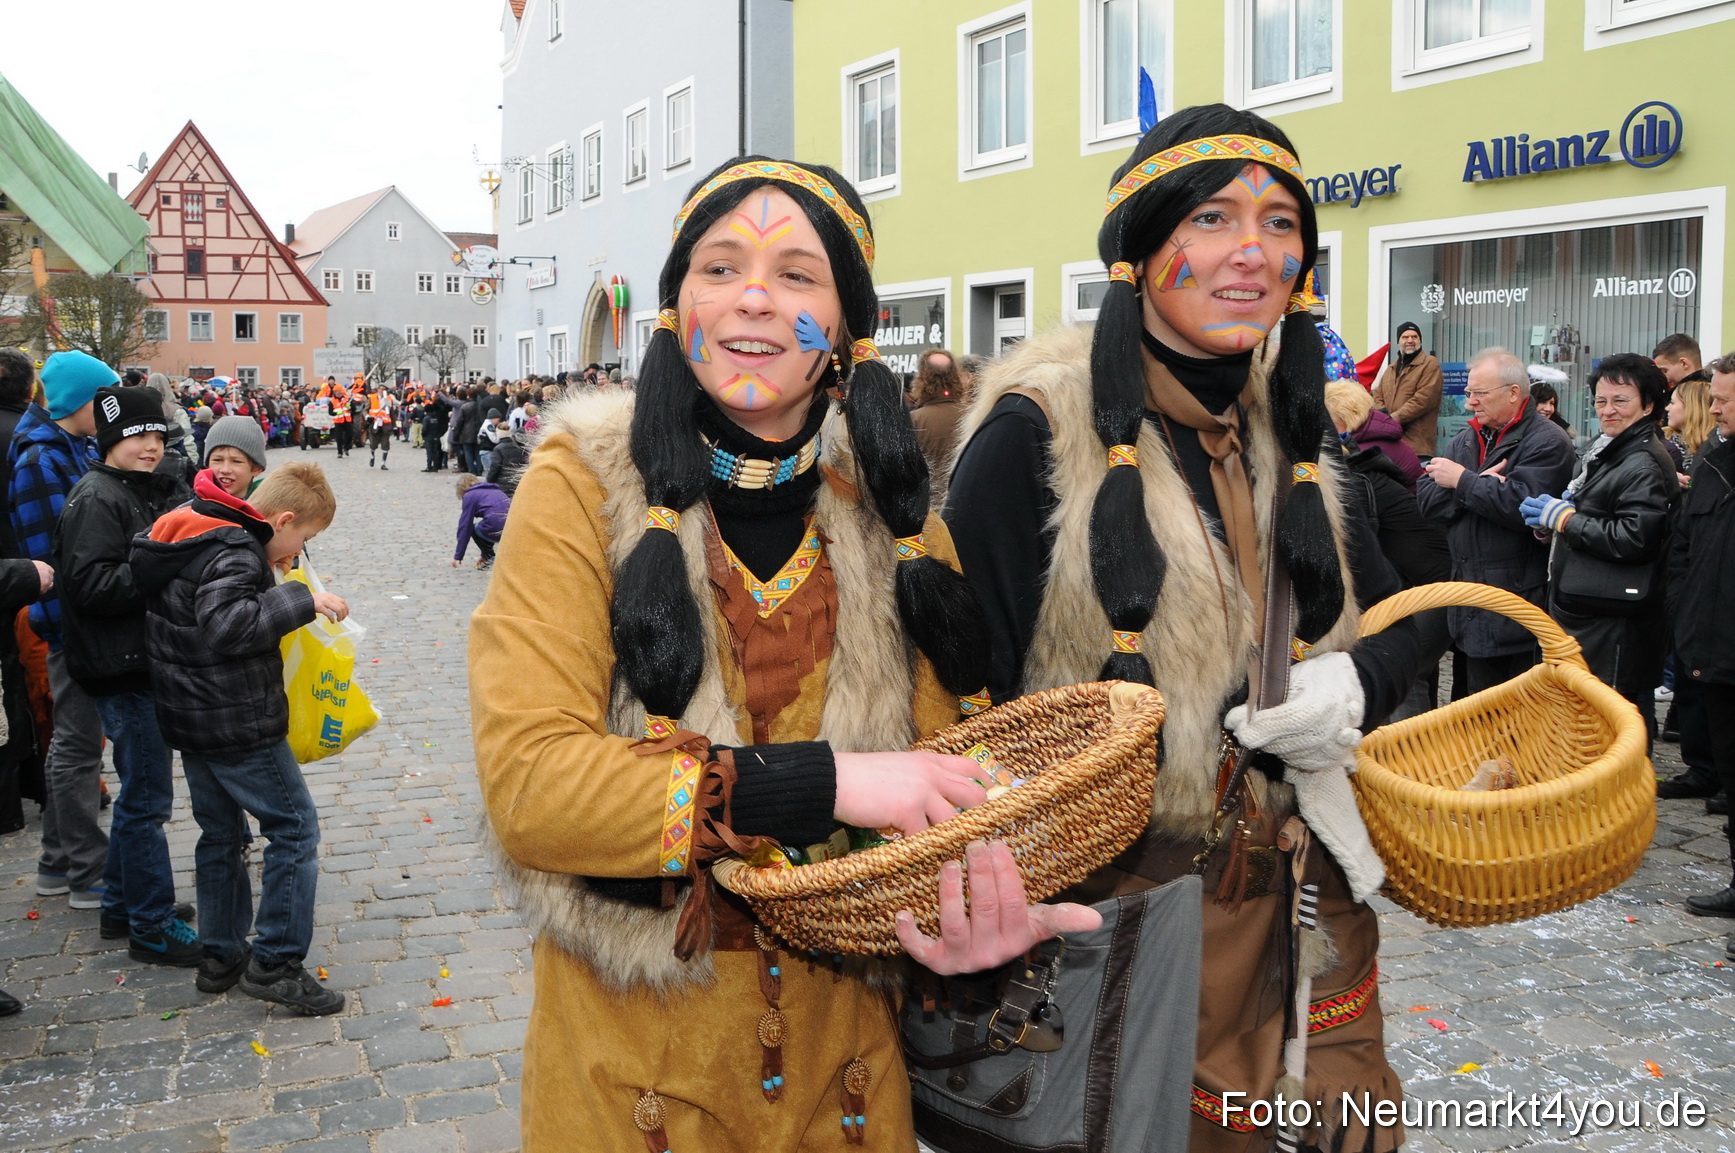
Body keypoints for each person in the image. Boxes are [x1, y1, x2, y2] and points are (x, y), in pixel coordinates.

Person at [469, 156, 1095, 1153]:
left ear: (844, 329)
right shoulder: (578, 485)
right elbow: (532, 786)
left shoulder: (894, 515)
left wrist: (974, 927)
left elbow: (951, 782)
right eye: (719, 267)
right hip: (634, 1083)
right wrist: (826, 782)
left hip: (844, 1087)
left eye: (797, 275)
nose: (753, 295)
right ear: (678, 305)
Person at [946, 104, 1437, 1152]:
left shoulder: (1302, 427)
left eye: (1277, 223)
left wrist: (1354, 688)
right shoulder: (1035, 436)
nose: (1250, 251)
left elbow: (1407, 620)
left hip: (1309, 911)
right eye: (1212, 218)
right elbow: (953, 709)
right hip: (1123, 926)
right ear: (1140, 247)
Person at [132, 461, 350, 1012]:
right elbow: (228, 627)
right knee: (295, 828)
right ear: (282, 519)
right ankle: (275, 961)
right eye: (304, 538)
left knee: (221, 834)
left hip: (193, 713)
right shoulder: (235, 549)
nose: (300, 552)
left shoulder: (194, 524)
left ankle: (221, 953)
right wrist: (303, 599)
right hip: (234, 717)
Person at [53, 386, 195, 964]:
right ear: (112, 439)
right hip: (122, 667)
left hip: (136, 662)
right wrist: (159, 571)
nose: (151, 446)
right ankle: (151, 923)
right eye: (139, 435)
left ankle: (121, 902)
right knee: (145, 802)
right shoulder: (97, 498)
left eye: (158, 435)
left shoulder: (129, 489)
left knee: (141, 793)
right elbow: (89, 587)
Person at [1520, 354, 1676, 749]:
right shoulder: (1607, 447)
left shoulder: (1641, 460)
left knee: (1612, 724)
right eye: (1601, 401)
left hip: (1615, 619)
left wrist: (1566, 521)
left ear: (1648, 404)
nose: (1607, 410)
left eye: (1620, 401)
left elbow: (1635, 538)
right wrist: (1552, 529)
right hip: (1592, 606)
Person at [1416, 348, 1576, 697]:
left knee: (1514, 725)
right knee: (1472, 718)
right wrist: (1476, 484)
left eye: (1479, 393)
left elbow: (1523, 507)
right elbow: (1427, 501)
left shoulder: (1548, 442)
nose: (1470, 403)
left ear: (1514, 393)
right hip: (1469, 605)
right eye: (1469, 393)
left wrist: (1463, 481)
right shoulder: (1465, 439)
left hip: (1517, 611)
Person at [10, 351, 109, 909]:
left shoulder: (67, 446)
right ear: (80, 402)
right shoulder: (41, 457)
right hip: (71, 622)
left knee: (75, 743)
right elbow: (57, 553)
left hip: (81, 617)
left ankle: (54, 861)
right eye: (104, 397)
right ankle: (85, 871)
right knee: (76, 748)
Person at [1668, 354, 1735, 942]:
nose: (1712, 408)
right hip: (1711, 648)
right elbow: (1686, 549)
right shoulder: (1715, 462)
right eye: (1713, 398)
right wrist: (1684, 621)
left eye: (1723, 400)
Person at [1658, 373, 1727, 805]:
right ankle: (1704, 768)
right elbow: (1685, 539)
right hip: (1694, 594)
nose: (1668, 407)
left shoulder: (1706, 456)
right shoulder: (1707, 459)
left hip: (1717, 602)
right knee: (1694, 688)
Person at [1324, 378, 1422, 489]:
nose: (1326, 428)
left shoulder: (1366, 450)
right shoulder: (1373, 433)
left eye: (1331, 420)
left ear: (1346, 418)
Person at [1373, 320, 1444, 461]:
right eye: (1405, 337)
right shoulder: (1391, 369)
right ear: (1398, 342)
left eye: (1414, 337)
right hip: (1391, 445)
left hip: (1417, 447)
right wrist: (1384, 417)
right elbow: (1377, 395)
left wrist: (1391, 420)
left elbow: (1423, 400)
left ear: (1420, 341)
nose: (1410, 340)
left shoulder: (1430, 364)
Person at [906, 350, 968, 502]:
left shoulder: (915, 420)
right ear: (955, 375)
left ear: (922, 378)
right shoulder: (972, 416)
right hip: (963, 503)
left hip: (929, 506)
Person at [203, 415, 269, 500]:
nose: (225, 470)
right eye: (217, 460)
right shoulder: (189, 511)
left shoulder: (267, 511)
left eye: (236, 461)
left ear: (257, 469)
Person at [452, 474, 509, 570]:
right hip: (512, 526)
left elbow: (465, 526)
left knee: (475, 529)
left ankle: (490, 557)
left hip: (496, 525)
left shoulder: (469, 495)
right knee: (486, 526)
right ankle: (488, 556)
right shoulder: (495, 491)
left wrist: (458, 555)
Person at [366, 386, 394, 469]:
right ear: (378, 389)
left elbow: (392, 412)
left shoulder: (389, 398)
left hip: (386, 424)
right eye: (381, 389)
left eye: (384, 389)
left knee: (385, 444)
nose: (382, 391)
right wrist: (367, 416)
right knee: (373, 443)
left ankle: (383, 463)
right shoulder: (372, 398)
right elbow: (365, 409)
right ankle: (372, 456)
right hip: (375, 423)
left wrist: (395, 425)